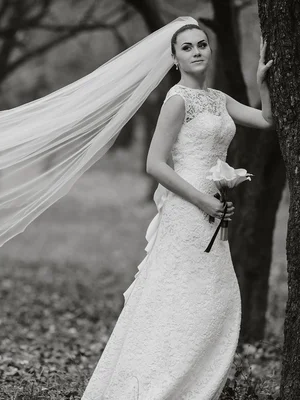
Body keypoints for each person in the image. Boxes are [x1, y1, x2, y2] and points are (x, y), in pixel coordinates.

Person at [80, 25, 273, 399]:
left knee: (214, 298)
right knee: (180, 296)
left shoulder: (219, 98)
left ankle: (190, 385)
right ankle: (155, 385)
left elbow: (267, 121)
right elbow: (155, 163)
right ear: (175, 58)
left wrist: (260, 80)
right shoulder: (177, 101)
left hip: (216, 209)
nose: (197, 51)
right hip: (189, 211)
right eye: (187, 47)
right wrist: (202, 201)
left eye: (202, 45)